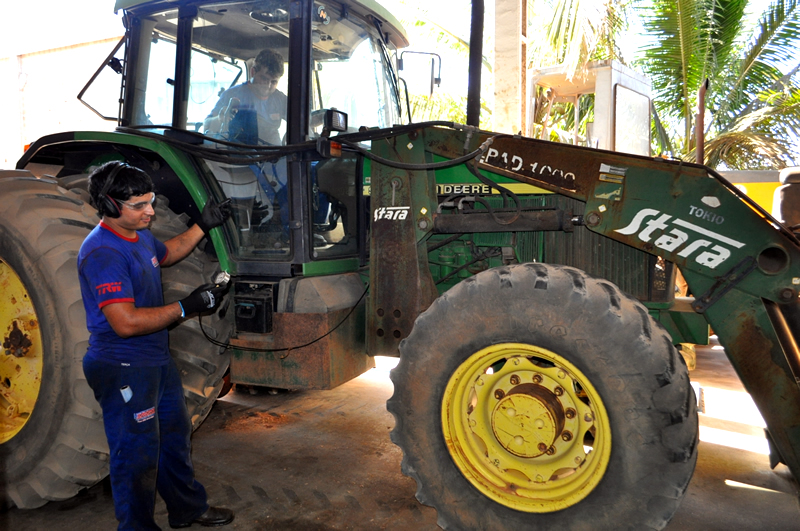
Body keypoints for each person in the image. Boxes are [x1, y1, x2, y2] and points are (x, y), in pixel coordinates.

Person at [78, 161, 234, 530]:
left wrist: (203, 224)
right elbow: (126, 323)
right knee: (135, 455)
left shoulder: (139, 234)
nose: (150, 211)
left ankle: (186, 509)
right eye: (139, 205)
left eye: (150, 201)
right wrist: (187, 307)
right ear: (111, 205)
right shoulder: (104, 253)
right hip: (123, 367)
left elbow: (167, 254)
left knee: (173, 440)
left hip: (155, 361)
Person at [205, 48, 287, 146]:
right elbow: (206, 126)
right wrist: (219, 119)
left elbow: (300, 123)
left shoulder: (280, 99)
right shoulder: (232, 95)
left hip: (273, 155)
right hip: (240, 153)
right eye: (264, 79)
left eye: (273, 82)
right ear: (253, 72)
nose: (268, 86)